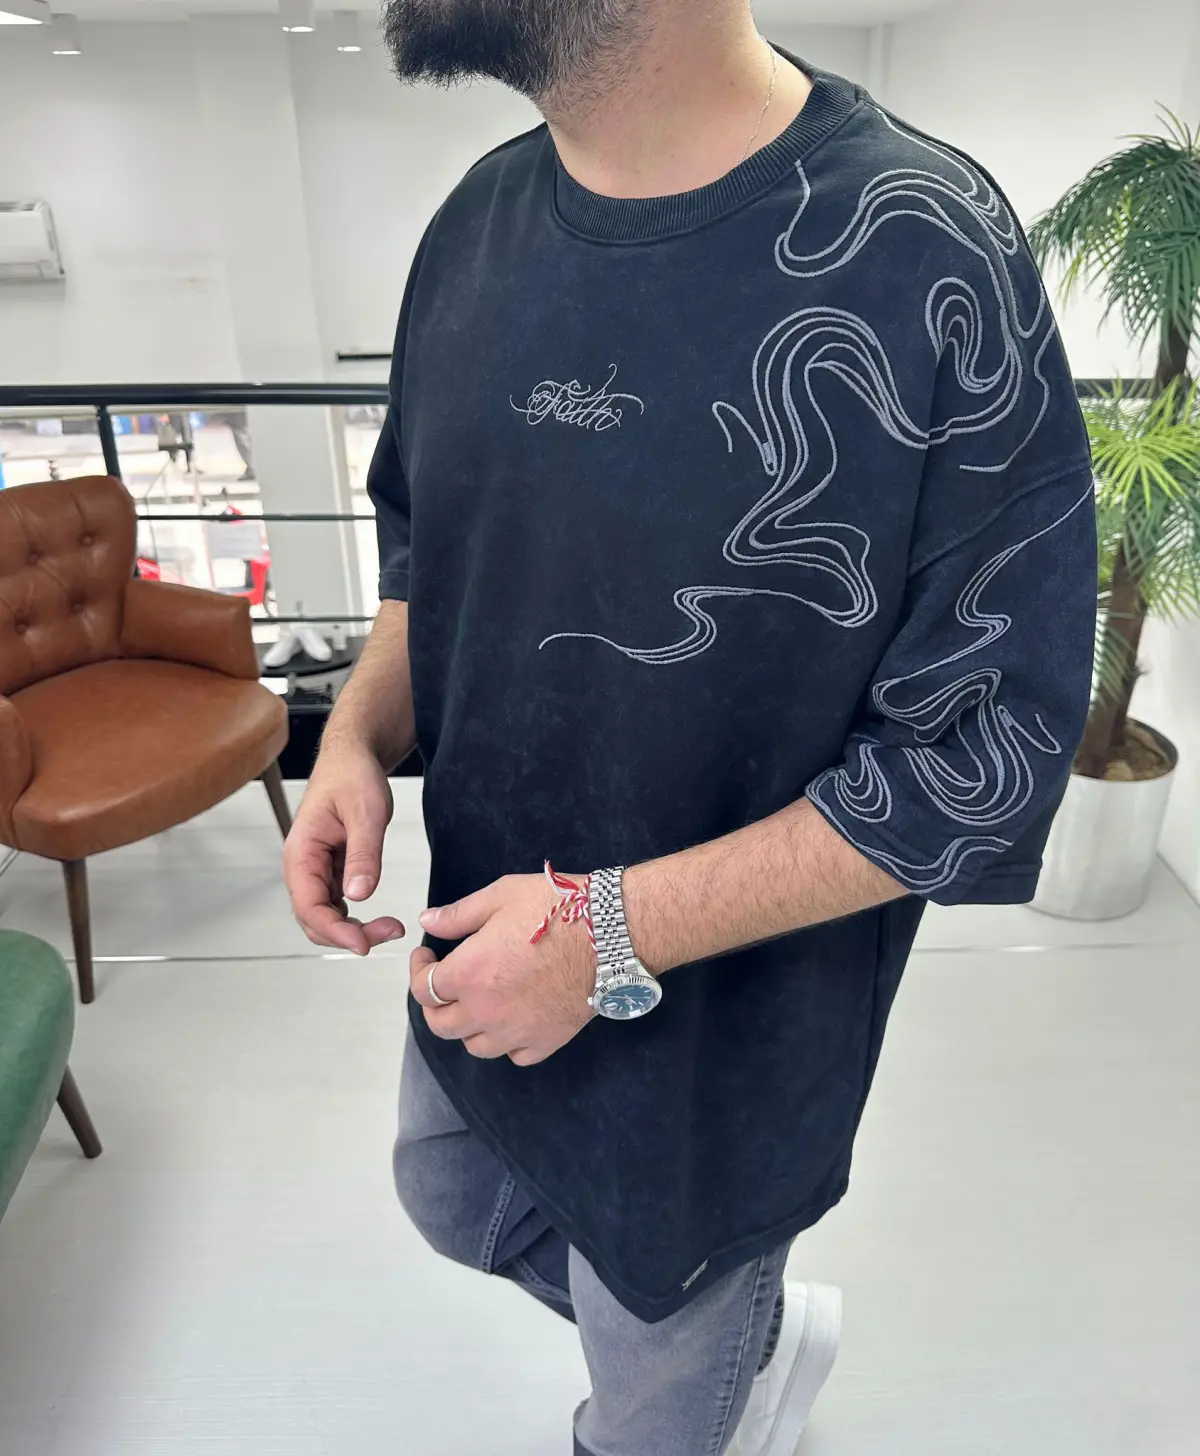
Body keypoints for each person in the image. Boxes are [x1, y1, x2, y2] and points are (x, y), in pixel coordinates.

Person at [283, 3, 1097, 1452]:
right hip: (487, 924)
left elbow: (982, 754)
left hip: (731, 1027)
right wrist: (355, 735)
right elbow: (427, 544)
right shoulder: (476, 223)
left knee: (652, 1405)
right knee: (449, 1191)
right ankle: (752, 1350)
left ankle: (730, 1371)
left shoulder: (924, 247)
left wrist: (606, 935)